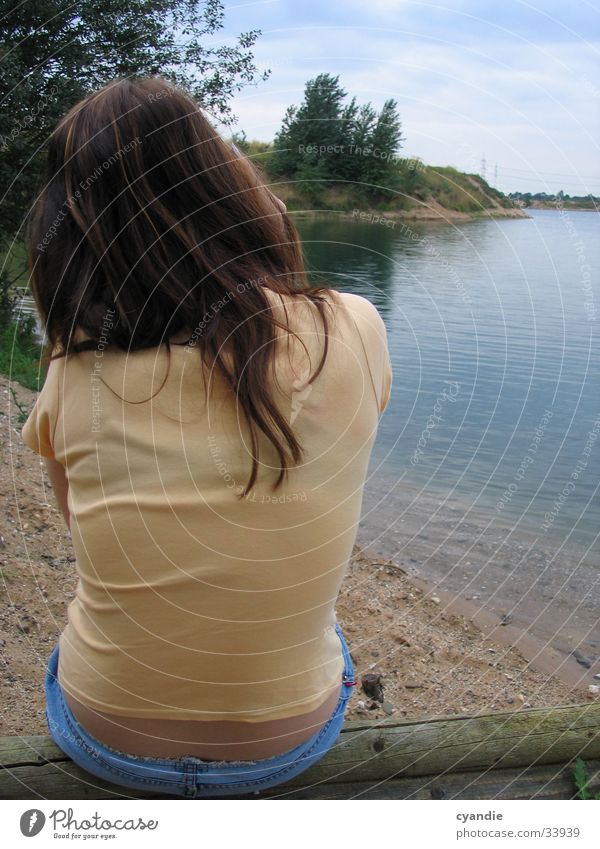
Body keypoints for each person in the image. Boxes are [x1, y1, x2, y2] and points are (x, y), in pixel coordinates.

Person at [22, 76, 393, 798]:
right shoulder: (355, 327)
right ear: (228, 184)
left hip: (109, 738)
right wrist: (273, 238)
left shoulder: (76, 373)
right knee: (323, 631)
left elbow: (88, 520)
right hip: (286, 742)